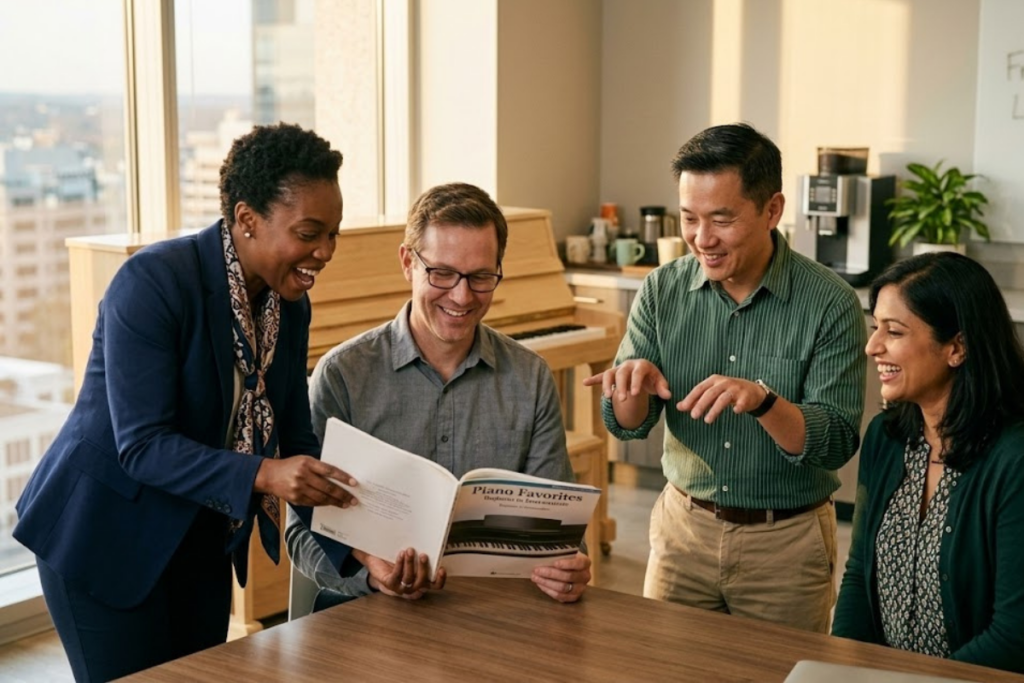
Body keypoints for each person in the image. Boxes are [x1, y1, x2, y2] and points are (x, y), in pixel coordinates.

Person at [14, 123, 359, 682]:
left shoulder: (289, 307)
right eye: (309, 232)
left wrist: (364, 557)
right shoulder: (151, 283)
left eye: (334, 234)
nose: (325, 252)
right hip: (102, 538)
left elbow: (298, 444)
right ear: (247, 220)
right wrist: (267, 474)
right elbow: (144, 447)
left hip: (197, 543)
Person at [583, 123, 865, 632]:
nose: (702, 239)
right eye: (689, 218)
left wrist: (763, 402)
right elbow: (626, 425)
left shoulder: (830, 303)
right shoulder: (660, 290)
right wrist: (629, 387)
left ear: (772, 210)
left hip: (786, 544)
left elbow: (836, 441)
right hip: (682, 533)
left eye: (722, 219)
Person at [286, 182, 592, 606]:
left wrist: (567, 568)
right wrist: (373, 577)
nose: (462, 296)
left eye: (481, 277)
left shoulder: (531, 376)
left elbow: (558, 535)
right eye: (442, 273)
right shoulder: (342, 374)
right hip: (369, 615)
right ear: (408, 262)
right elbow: (302, 531)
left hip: (491, 614)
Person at [833, 253, 1024, 673]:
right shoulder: (886, 439)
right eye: (875, 326)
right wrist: (840, 668)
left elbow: (1014, 635)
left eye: (894, 331)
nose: (872, 346)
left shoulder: (1014, 460)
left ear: (957, 346)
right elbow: (858, 575)